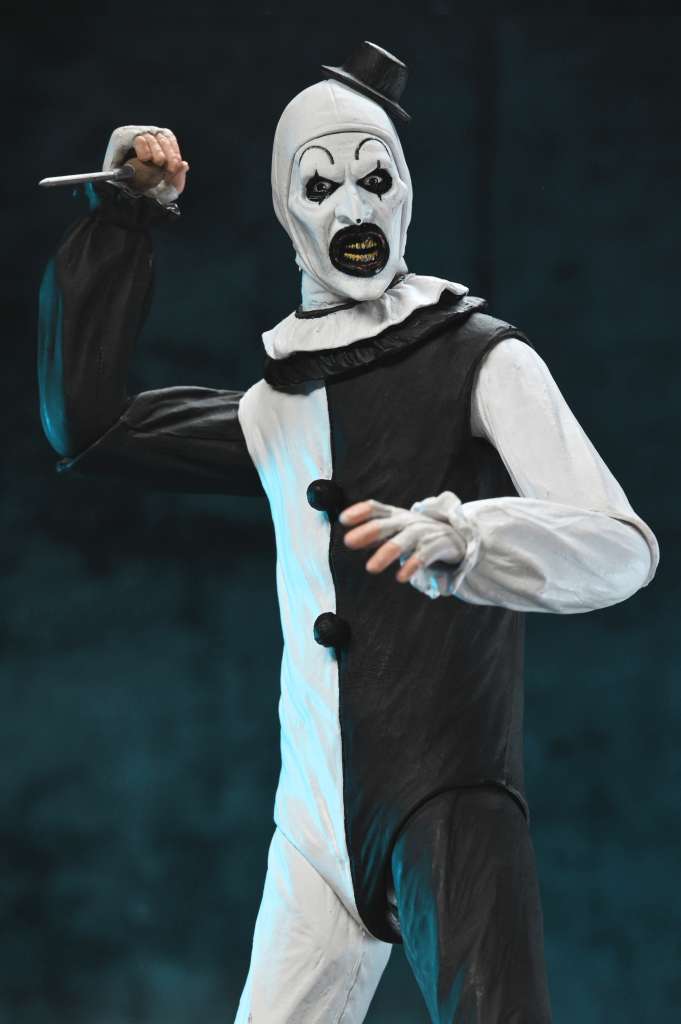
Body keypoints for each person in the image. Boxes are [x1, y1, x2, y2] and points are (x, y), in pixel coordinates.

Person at [38, 41, 659, 1024]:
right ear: (289, 211)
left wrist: (470, 538)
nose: (351, 209)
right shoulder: (278, 404)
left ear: (405, 193)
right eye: (319, 186)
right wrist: (121, 219)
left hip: (445, 804)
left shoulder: (480, 359)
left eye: (374, 179)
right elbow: (94, 427)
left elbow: (618, 545)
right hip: (312, 831)